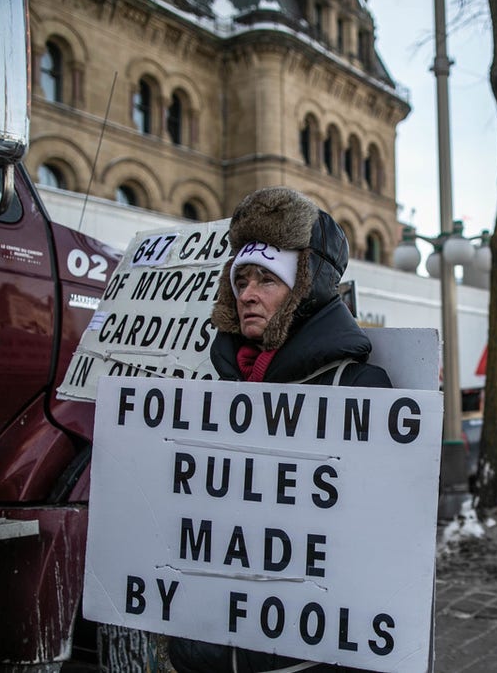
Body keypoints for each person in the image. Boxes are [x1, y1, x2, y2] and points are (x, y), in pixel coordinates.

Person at [167, 186, 390, 672]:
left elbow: (378, 539)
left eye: (266, 280)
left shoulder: (356, 389)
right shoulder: (212, 388)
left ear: (305, 289)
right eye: (240, 279)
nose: (247, 293)